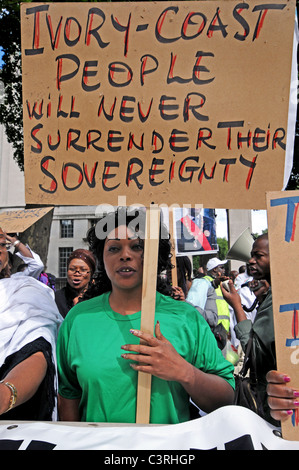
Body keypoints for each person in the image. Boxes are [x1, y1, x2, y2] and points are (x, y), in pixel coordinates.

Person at [56, 207, 235, 424]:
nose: (125, 255)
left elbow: (227, 398)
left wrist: (184, 372)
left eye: (137, 246)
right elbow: (68, 396)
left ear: (154, 255)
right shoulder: (77, 320)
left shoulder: (185, 317)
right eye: (113, 248)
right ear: (101, 258)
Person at [220, 233, 299, 425]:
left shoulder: (279, 298)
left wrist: (237, 307)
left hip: (275, 408)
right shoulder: (284, 290)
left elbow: (254, 355)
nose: (251, 260)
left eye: (259, 255)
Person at [0, 227, 63, 420]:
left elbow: (37, 349)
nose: (0, 250)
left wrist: (7, 393)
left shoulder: (24, 289)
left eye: (2, 245)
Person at [187, 257, 230, 337]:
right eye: (221, 268)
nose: (224, 270)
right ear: (214, 270)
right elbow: (193, 308)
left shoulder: (221, 285)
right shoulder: (203, 283)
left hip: (221, 333)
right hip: (210, 333)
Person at [55, 249, 96, 318]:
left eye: (83, 270)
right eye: (72, 269)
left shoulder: (97, 298)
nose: (77, 273)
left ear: (91, 274)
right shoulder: (57, 298)